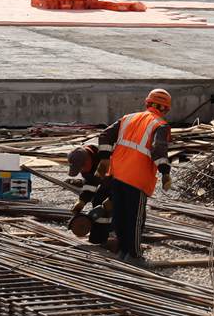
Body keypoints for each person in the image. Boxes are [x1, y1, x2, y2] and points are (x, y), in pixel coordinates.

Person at [95, 89, 172, 266]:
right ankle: (135, 255)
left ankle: (123, 251)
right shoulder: (160, 125)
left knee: (120, 214)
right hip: (137, 178)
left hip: (117, 174)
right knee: (136, 218)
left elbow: (105, 135)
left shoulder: (128, 118)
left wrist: (105, 158)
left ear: (147, 103)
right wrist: (165, 172)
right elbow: (158, 149)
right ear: (166, 108)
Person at [67, 143, 114, 246]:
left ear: (88, 160)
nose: (81, 171)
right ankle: (98, 237)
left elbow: (119, 184)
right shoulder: (87, 164)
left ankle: (116, 237)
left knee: (110, 205)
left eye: (81, 168)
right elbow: (91, 183)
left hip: (123, 183)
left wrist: (112, 199)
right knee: (98, 201)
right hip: (108, 183)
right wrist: (82, 201)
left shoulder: (106, 158)